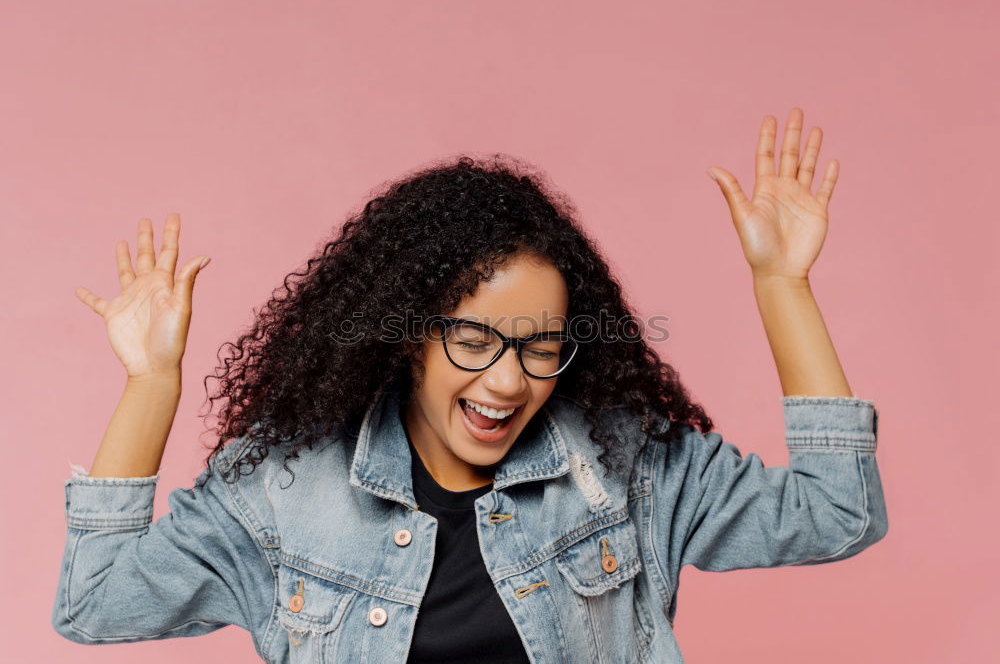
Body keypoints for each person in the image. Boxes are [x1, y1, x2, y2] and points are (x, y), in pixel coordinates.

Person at [52, 107, 888, 663]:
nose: (507, 381)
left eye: (540, 348)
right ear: (409, 331)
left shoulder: (625, 466)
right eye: (475, 339)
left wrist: (783, 287)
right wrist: (152, 383)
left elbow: (837, 512)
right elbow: (92, 604)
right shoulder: (284, 491)